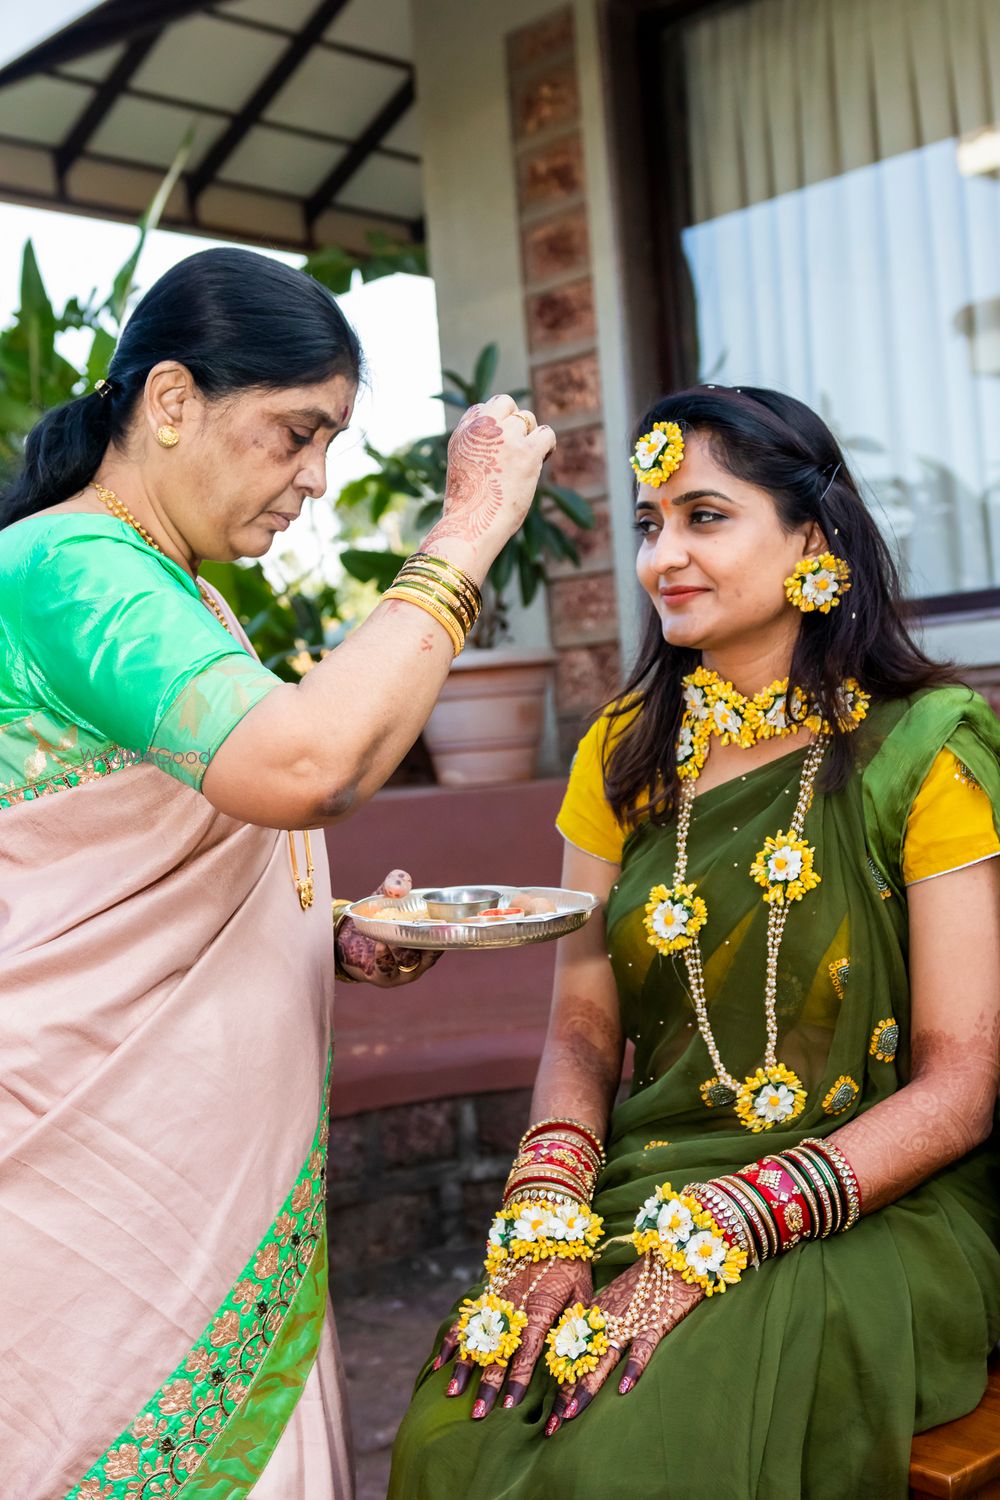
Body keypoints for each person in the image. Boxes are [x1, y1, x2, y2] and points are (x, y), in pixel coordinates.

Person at [0, 245, 555, 1500]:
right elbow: (307, 764)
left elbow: (180, 856)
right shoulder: (74, 570)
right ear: (174, 400)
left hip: (196, 1187)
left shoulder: (177, 590)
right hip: (90, 1189)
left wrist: (343, 932)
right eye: (294, 433)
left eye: (330, 444)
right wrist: (469, 531)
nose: (314, 480)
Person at [390, 385, 1000, 1500]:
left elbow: (958, 1085)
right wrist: (547, 1211)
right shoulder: (623, 752)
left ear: (811, 539)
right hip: (647, 1181)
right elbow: (581, 1028)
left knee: (628, 1454)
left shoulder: (925, 749)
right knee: (452, 1432)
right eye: (648, 522)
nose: (662, 555)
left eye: (704, 516)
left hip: (871, 1200)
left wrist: (733, 1220)